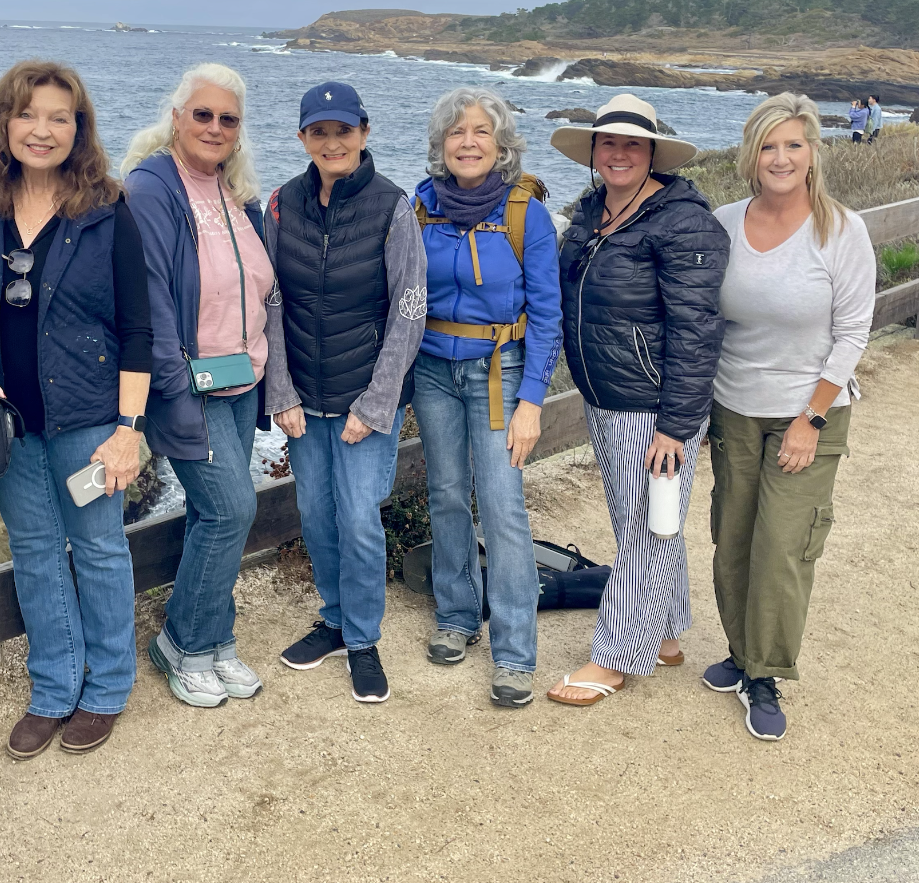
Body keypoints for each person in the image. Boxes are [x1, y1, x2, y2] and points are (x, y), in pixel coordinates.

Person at [0, 60, 150, 759]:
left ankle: (108, 687)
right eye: (28, 114)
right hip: (6, 422)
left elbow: (138, 328)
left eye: (59, 117)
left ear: (78, 128)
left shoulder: (107, 210)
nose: (42, 129)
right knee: (34, 552)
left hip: (89, 419)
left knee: (98, 549)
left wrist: (128, 431)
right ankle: (54, 688)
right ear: (3, 124)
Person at [546, 94, 728, 707]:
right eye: (608, 142)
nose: (619, 153)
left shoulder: (684, 223)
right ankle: (666, 632)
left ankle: (615, 656)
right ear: (594, 150)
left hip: (653, 406)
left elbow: (697, 332)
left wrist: (675, 426)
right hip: (605, 397)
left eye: (633, 143)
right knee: (648, 520)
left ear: (652, 152)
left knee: (643, 530)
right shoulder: (591, 210)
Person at [703, 93, 874, 741]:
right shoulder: (723, 223)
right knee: (733, 538)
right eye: (768, 146)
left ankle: (766, 672)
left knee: (781, 548)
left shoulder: (841, 231)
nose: (781, 158)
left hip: (809, 413)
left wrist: (811, 419)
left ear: (812, 153)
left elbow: (853, 333)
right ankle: (741, 651)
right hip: (734, 408)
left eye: (793, 145)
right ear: (751, 155)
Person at [264, 82, 426, 704]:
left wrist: (377, 403)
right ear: (303, 137)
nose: (332, 142)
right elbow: (271, 300)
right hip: (303, 397)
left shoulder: (393, 207)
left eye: (343, 130)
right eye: (319, 132)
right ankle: (333, 619)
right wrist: (280, 389)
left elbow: (409, 309)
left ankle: (362, 638)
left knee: (358, 519)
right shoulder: (282, 204)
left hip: (366, 400)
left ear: (364, 132)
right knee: (315, 514)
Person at [122, 63, 275, 708]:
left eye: (228, 119)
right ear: (177, 118)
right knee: (231, 509)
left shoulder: (237, 192)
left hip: (243, 377)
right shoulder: (152, 188)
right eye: (203, 114)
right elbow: (152, 301)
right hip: (189, 385)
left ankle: (216, 640)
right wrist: (174, 392)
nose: (215, 127)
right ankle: (181, 642)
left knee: (217, 514)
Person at [409, 86, 562, 709]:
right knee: (446, 495)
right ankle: (456, 615)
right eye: (456, 132)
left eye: (480, 132)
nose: (467, 142)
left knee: (502, 507)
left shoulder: (527, 212)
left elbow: (547, 315)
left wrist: (533, 402)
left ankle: (515, 653)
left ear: (501, 144)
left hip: (502, 372)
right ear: (440, 144)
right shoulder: (420, 205)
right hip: (433, 370)